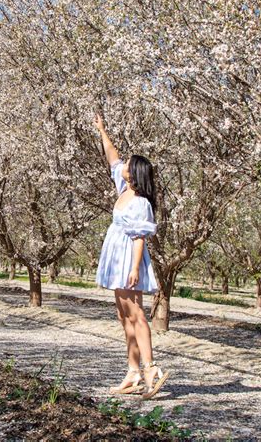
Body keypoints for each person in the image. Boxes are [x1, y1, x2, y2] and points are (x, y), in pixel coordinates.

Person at [93, 112, 169, 400]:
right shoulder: (123, 188)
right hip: (115, 258)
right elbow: (112, 157)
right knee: (123, 315)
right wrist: (102, 130)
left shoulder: (140, 203)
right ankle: (133, 371)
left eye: (128, 164)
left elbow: (139, 238)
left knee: (136, 313)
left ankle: (151, 369)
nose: (122, 164)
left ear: (134, 173)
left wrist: (136, 268)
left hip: (128, 260)